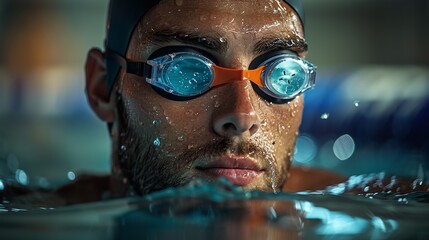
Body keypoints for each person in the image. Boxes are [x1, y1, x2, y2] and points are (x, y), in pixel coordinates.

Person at [1, 0, 426, 207]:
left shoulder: (374, 199)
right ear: (101, 89)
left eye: (280, 74)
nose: (242, 117)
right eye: (186, 70)